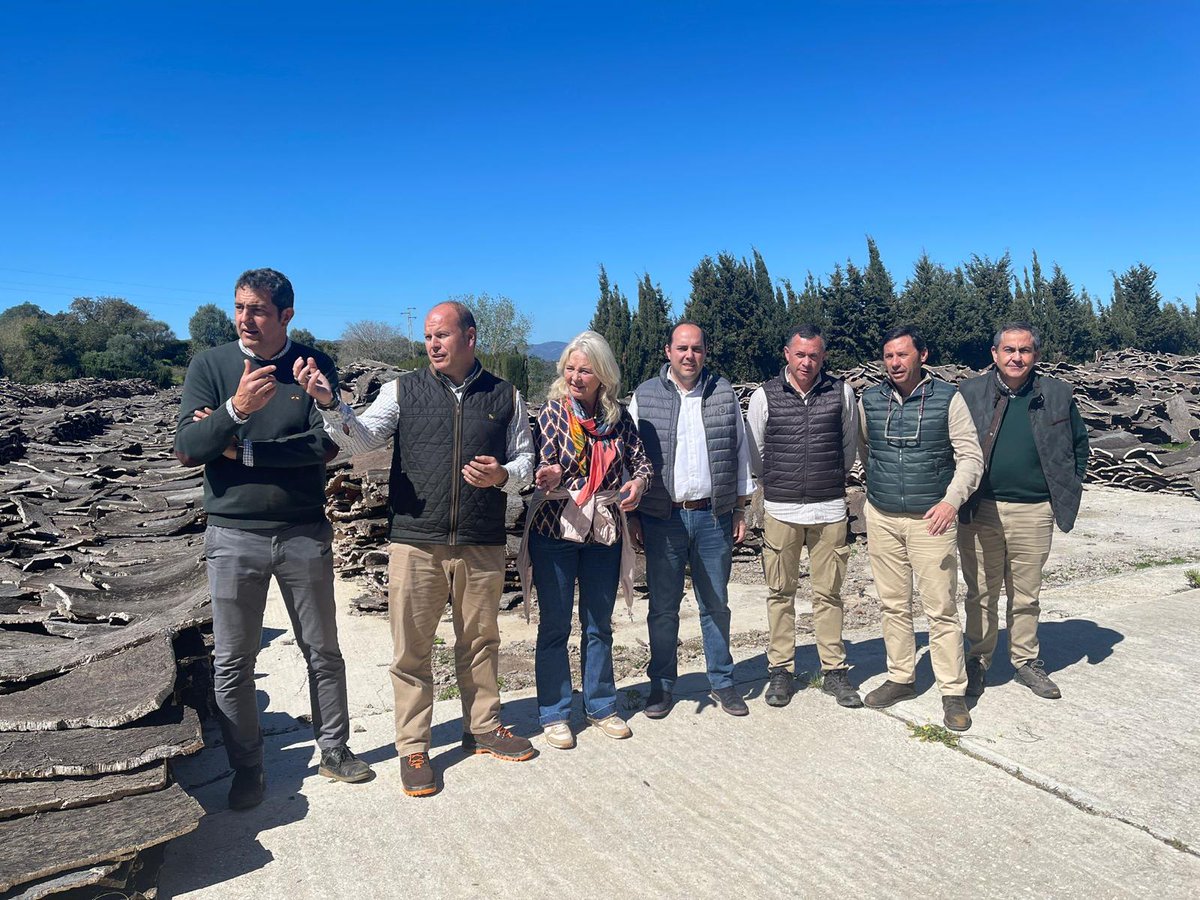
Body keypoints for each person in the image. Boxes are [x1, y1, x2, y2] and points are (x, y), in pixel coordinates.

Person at [295, 301, 535, 797]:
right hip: (415, 543)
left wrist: (502, 477)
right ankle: (414, 747)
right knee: (411, 652)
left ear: (470, 337)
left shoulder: (506, 395)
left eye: (442, 335)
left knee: (481, 642)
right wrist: (328, 405)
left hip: (481, 541)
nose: (432, 344)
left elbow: (527, 465)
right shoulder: (401, 390)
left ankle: (484, 727)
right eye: (428, 337)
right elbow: (360, 442)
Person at [175, 267, 370, 811]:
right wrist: (236, 410)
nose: (244, 319)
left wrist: (243, 448)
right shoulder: (211, 366)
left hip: (303, 531)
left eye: (257, 309)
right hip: (233, 535)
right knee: (233, 661)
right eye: (239, 307)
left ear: (286, 314)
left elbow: (329, 448)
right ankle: (248, 768)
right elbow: (188, 449)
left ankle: (335, 750)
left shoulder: (310, 366)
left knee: (322, 651)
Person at [515, 331, 652, 749]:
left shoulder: (618, 418)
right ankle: (554, 713)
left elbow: (640, 461)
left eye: (585, 370)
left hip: (603, 530)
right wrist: (550, 475)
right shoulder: (553, 413)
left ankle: (601, 705)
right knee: (555, 626)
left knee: (598, 625)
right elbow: (542, 461)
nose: (576, 376)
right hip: (556, 530)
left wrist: (639, 485)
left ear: (603, 375)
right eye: (571, 368)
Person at [857, 325, 984, 732]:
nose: (895, 363)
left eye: (903, 355)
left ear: (922, 355)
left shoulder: (950, 398)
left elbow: (969, 456)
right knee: (893, 604)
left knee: (940, 609)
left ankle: (952, 691)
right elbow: (865, 449)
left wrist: (951, 500)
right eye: (889, 356)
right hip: (882, 516)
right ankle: (901, 678)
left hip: (932, 520)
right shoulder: (870, 399)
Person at [627, 322, 755, 719]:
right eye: (682, 348)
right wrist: (633, 515)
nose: (689, 356)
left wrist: (739, 508)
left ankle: (722, 681)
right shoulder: (645, 395)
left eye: (696, 349)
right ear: (667, 350)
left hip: (712, 517)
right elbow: (629, 457)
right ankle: (662, 686)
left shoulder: (723, 392)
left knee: (715, 604)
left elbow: (740, 452)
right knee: (663, 608)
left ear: (705, 352)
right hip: (662, 518)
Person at [957, 322, 1089, 700]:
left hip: (1034, 510)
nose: (1017, 357)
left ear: (1035, 355)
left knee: (1026, 593)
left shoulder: (1057, 394)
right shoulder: (969, 394)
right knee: (980, 591)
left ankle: (1025, 661)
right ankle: (977, 660)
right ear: (994, 354)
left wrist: (1067, 486)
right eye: (1009, 350)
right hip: (982, 509)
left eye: (1025, 351)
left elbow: (1079, 446)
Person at [745, 324, 862, 709]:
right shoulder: (765, 396)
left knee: (829, 594)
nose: (807, 362)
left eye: (814, 355)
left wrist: (829, 479)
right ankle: (780, 670)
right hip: (781, 509)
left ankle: (834, 671)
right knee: (781, 593)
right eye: (800, 354)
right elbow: (756, 451)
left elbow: (848, 446)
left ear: (822, 357)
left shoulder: (841, 393)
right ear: (787, 354)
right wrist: (778, 483)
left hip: (829, 509)